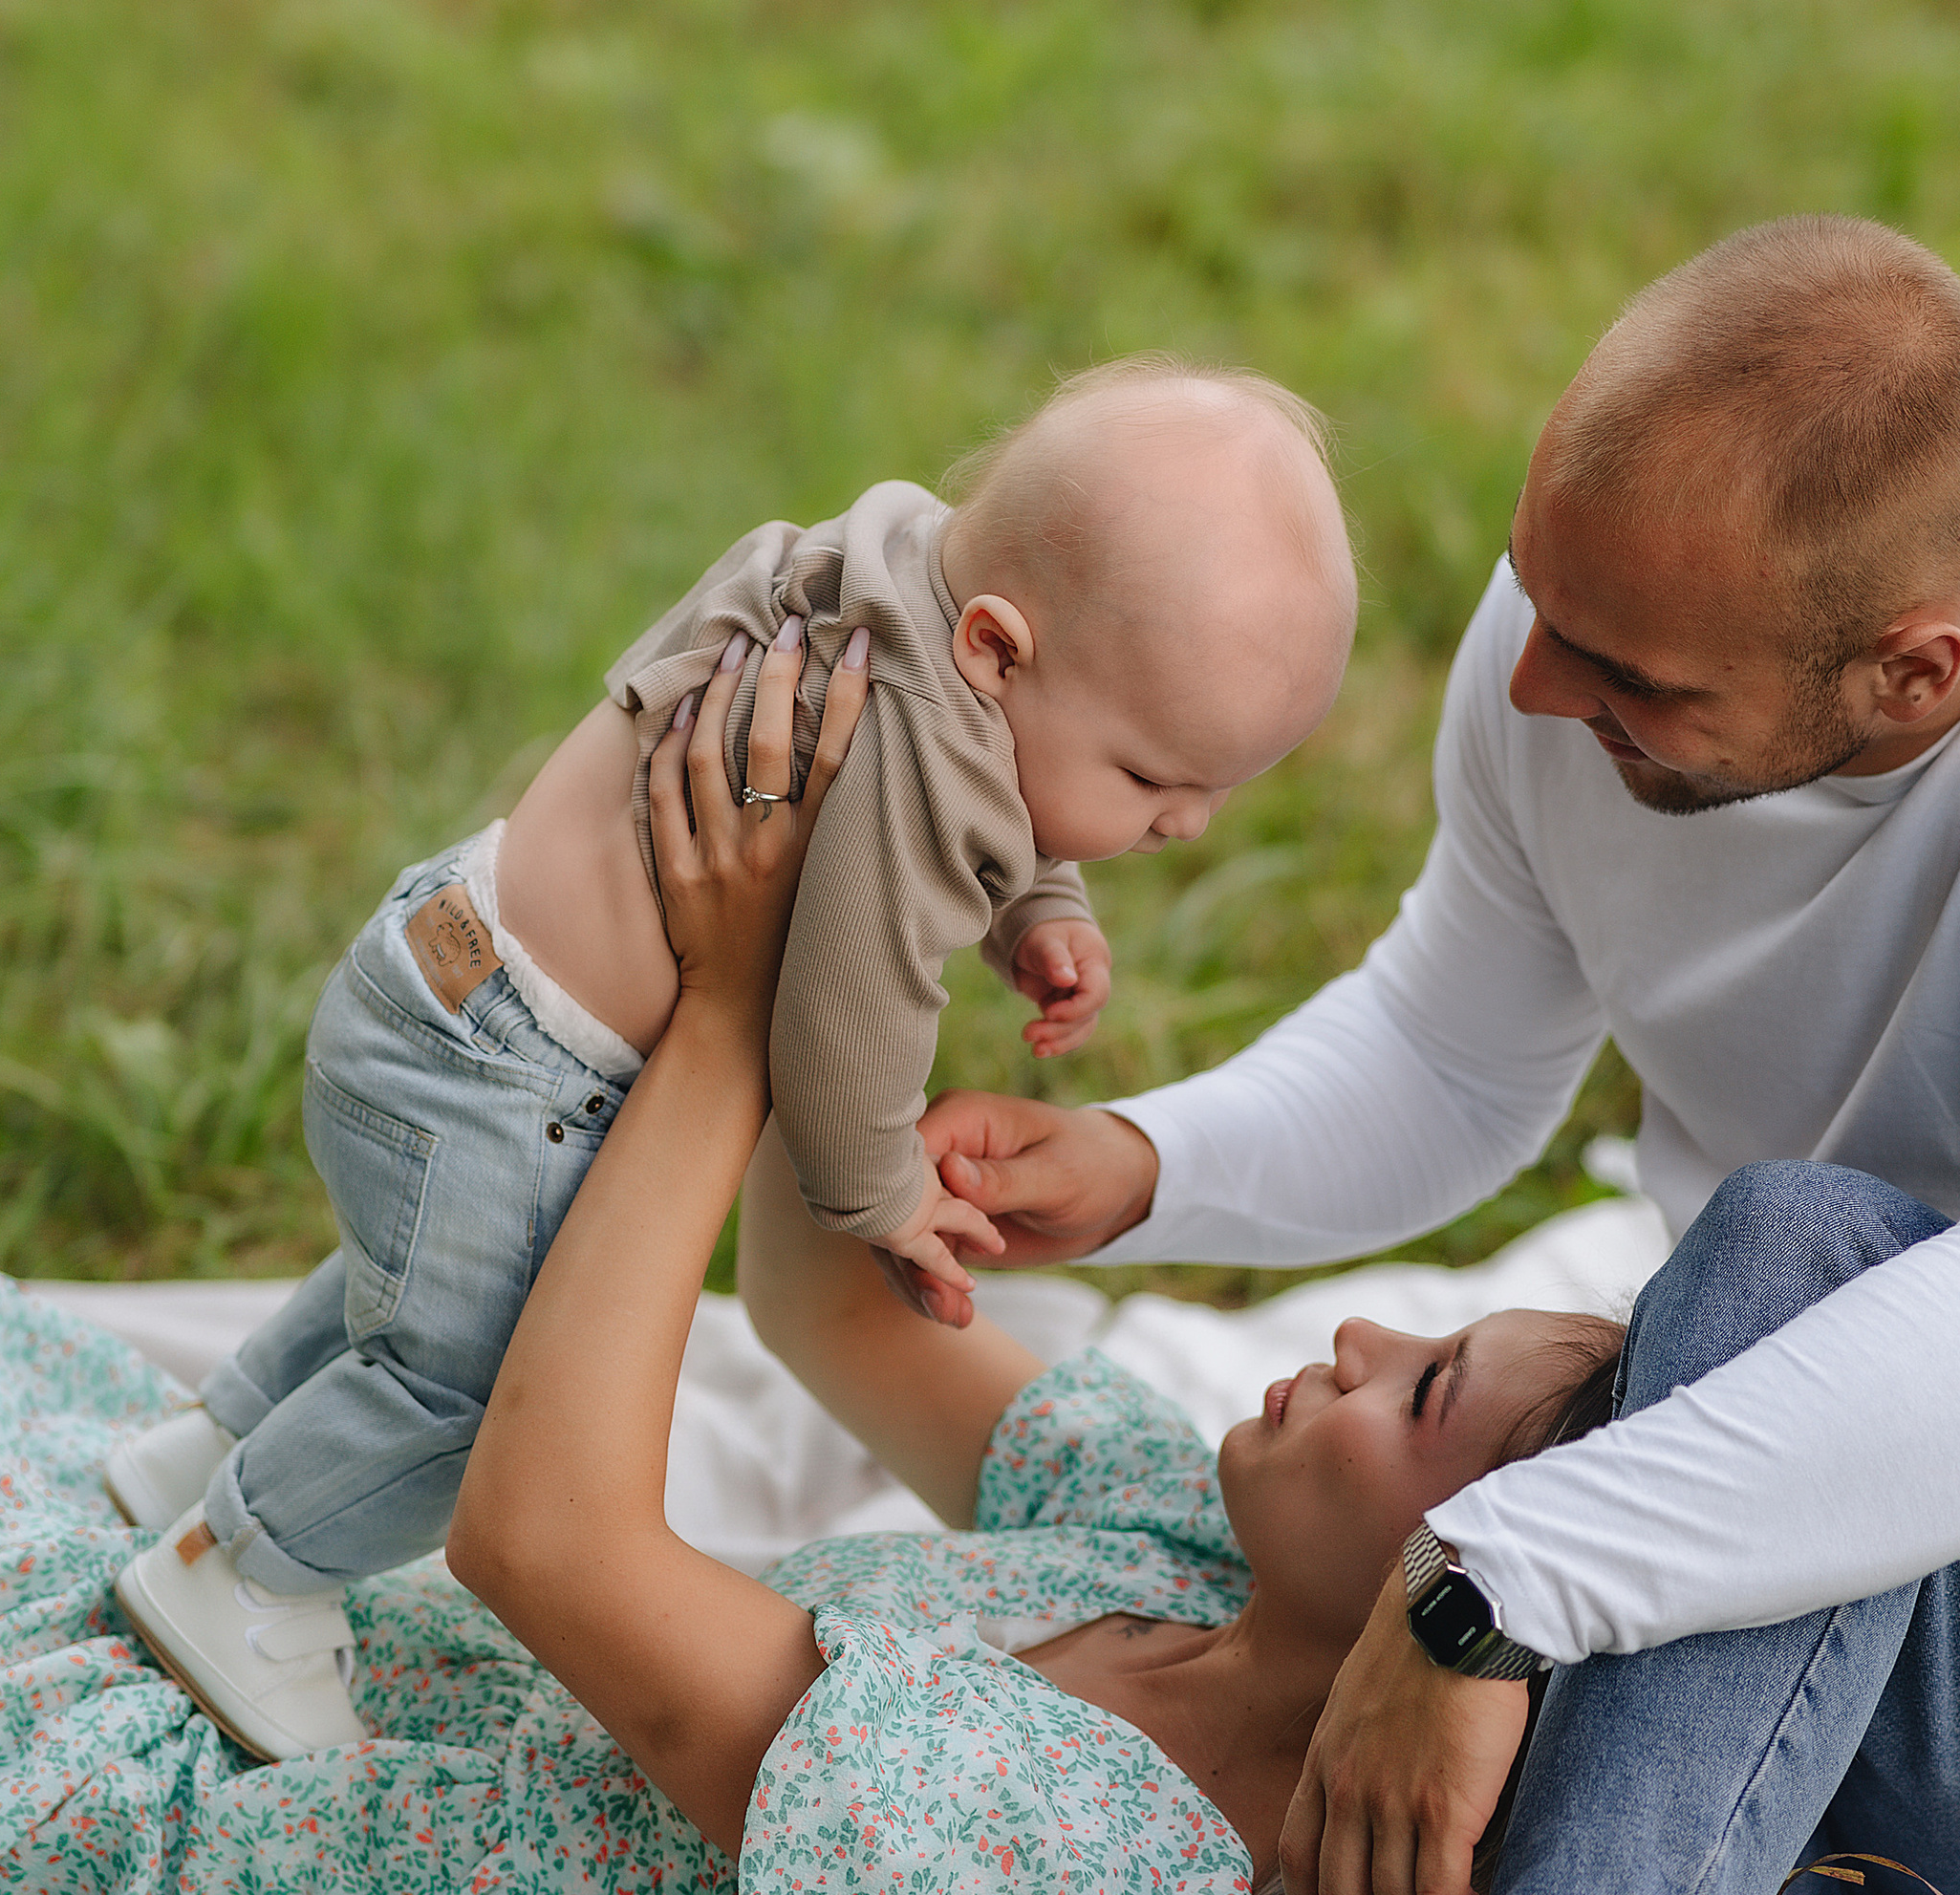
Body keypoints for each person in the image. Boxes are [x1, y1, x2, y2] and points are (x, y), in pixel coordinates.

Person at [327, 211, 1960, 1895]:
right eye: (1534, 601)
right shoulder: (1582, 634)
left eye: (1622, 673)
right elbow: (1457, 1049)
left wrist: (1492, 1584)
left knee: (1793, 1249)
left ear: (1911, 664)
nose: (1531, 688)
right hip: (1735, 1600)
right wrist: (1143, 1163)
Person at [0, 629, 1613, 1895]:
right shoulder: (1184, 1552)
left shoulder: (1068, 1871)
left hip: (170, 1858)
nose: (1358, 1331)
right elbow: (824, 1307)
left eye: (1424, 1388)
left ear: (1469, 1622)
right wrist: (886, 922)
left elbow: (540, 1537)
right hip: (282, 1657)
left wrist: (728, 1011)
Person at [108, 356, 1355, 1762]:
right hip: (510, 1071)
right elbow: (844, 1010)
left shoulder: (889, 573)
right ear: (997, 652)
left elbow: (986, 794)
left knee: (426, 1279)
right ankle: (241, 1570)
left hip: (441, 963)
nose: (1187, 824)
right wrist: (882, 1191)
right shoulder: (924, 754)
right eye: (1153, 779)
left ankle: (209, 1446)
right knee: (479, 1376)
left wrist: (1037, 905)